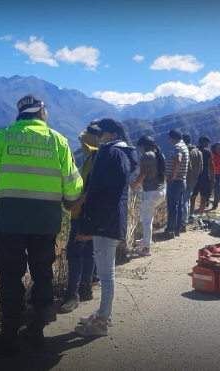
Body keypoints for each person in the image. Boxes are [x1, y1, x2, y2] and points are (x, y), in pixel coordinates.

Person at [0, 95, 82, 356]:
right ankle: (36, 329)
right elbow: (72, 183)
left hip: (10, 222)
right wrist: (70, 202)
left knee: (10, 276)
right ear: (42, 112)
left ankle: (10, 336)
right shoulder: (58, 140)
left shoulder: (3, 137)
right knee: (42, 273)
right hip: (45, 222)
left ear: (21, 113)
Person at [77, 118, 137, 337]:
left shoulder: (115, 153)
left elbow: (112, 192)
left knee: (106, 274)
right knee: (104, 272)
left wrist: (100, 221)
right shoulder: (114, 150)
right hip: (106, 219)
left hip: (106, 221)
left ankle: (102, 321)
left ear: (112, 134)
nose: (98, 136)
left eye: (100, 133)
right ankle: (103, 312)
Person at [59, 126, 100, 314]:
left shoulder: (93, 162)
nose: (81, 146)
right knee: (89, 250)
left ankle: (72, 292)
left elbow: (87, 191)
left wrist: (74, 201)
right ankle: (85, 287)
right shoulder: (97, 160)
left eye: (83, 143)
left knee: (75, 251)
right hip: (92, 215)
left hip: (81, 213)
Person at [130, 136, 166, 256]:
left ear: (143, 146)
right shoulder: (158, 154)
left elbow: (143, 173)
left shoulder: (146, 156)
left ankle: (146, 248)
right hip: (161, 190)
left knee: (146, 220)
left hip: (151, 192)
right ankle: (146, 239)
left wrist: (134, 184)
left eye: (140, 147)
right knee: (145, 214)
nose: (140, 149)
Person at [163, 129, 189, 238]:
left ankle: (171, 230)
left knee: (172, 206)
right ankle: (178, 228)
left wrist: (173, 176)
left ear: (172, 138)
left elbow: (178, 160)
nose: (169, 140)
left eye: (169, 138)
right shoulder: (184, 146)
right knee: (179, 206)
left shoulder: (177, 147)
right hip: (182, 180)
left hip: (175, 181)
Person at [190, 136, 215, 218]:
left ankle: (191, 214)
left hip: (194, 177)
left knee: (193, 196)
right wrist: (212, 178)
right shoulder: (207, 152)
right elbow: (211, 166)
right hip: (204, 176)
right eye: (207, 143)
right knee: (203, 197)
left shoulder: (193, 151)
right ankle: (201, 214)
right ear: (204, 142)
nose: (207, 144)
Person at [182, 134, 203, 228]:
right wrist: (195, 175)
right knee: (188, 199)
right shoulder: (198, 152)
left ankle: (183, 220)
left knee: (183, 201)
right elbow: (201, 168)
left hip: (183, 179)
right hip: (194, 180)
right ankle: (187, 216)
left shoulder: (183, 151)